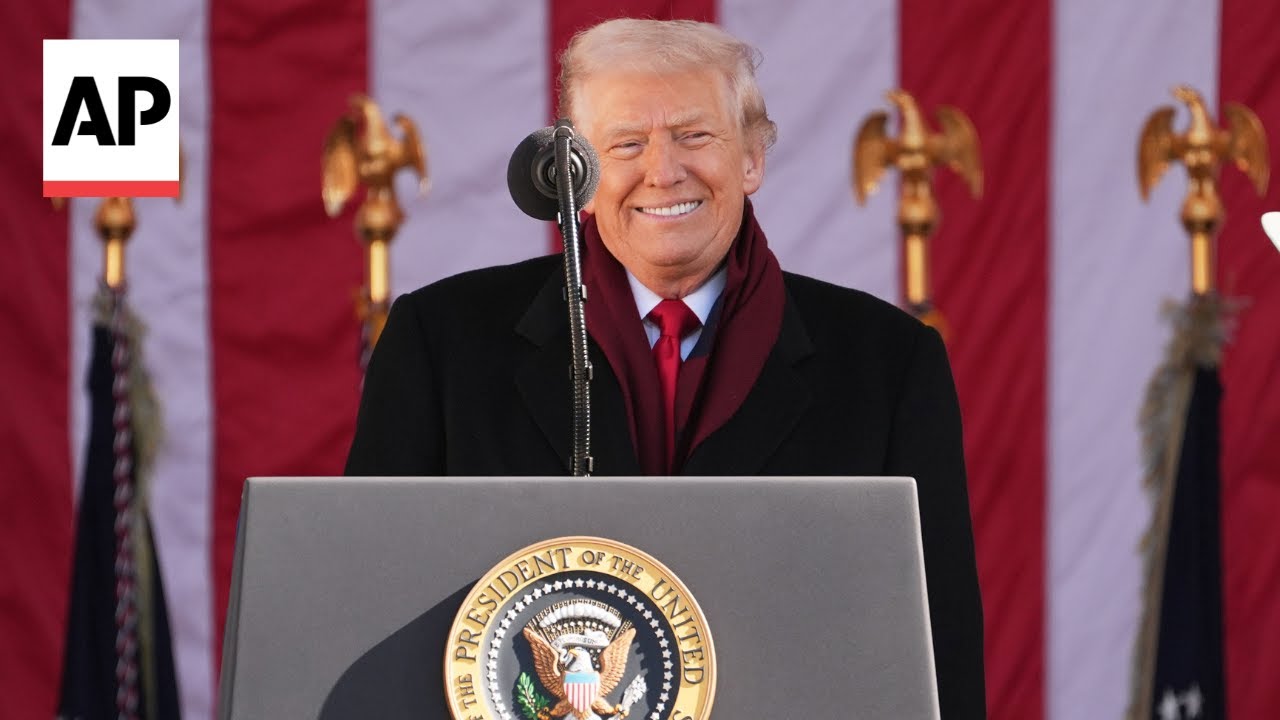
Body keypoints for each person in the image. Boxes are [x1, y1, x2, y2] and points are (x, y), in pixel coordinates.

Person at [345, 18, 985, 718]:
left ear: (751, 159)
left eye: (694, 135)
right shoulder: (443, 345)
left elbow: (937, 652)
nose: (663, 170)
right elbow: (370, 613)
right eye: (626, 144)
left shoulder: (888, 365)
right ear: (575, 175)